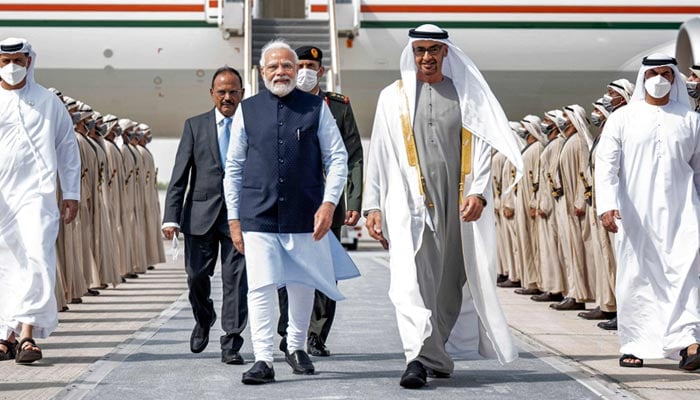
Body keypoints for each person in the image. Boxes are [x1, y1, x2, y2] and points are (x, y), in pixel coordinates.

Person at [363, 24, 521, 389]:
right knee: (412, 278)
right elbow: (381, 155)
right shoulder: (393, 97)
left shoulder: (467, 96)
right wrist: (373, 205)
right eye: (420, 50)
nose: (427, 57)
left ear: (446, 53)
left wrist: (479, 193)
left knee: (451, 282)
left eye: (434, 50)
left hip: (457, 205)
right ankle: (415, 358)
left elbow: (483, 149)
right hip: (409, 205)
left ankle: (436, 353)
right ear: (411, 53)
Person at [224, 39, 357, 385]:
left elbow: (338, 158)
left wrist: (329, 204)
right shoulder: (248, 109)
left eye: (287, 66)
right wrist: (234, 218)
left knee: (302, 283)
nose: (281, 72)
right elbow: (234, 166)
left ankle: (297, 347)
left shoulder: (316, 109)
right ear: (262, 72)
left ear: (297, 70)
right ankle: (263, 358)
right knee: (261, 286)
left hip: (306, 213)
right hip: (258, 214)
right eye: (274, 66)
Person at [595, 53, 700, 371]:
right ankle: (635, 344)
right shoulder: (622, 118)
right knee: (636, 278)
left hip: (683, 213)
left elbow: (697, 170)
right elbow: (606, 166)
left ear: (674, 79)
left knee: (684, 276)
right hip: (634, 214)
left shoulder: (690, 119)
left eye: (666, 73)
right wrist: (606, 205)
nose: (659, 79)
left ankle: (687, 343)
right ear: (643, 77)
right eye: (652, 72)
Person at [276, 45, 364, 357]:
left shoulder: (338, 107)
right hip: (290, 201)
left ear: (321, 70)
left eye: (311, 65)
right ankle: (288, 329)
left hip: (328, 202)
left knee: (326, 272)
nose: (304, 70)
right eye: (299, 64)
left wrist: (353, 200)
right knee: (287, 268)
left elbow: (353, 155)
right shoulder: (281, 101)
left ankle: (315, 335)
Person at [0, 37, 81, 363]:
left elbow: (67, 149)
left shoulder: (48, 102)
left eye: (18, 60)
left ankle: (27, 336)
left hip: (38, 196)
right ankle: (5, 334)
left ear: (30, 62)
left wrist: (71, 193)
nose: (12, 67)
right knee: (6, 265)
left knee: (37, 259)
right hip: (3, 198)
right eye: (5, 61)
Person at [162, 67, 248, 365]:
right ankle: (204, 316)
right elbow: (179, 175)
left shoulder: (252, 125)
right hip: (200, 214)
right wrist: (170, 217)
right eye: (221, 91)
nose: (227, 97)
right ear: (212, 93)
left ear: (242, 93)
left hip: (240, 216)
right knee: (196, 276)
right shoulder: (194, 126)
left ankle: (231, 341)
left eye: (233, 91)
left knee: (236, 280)